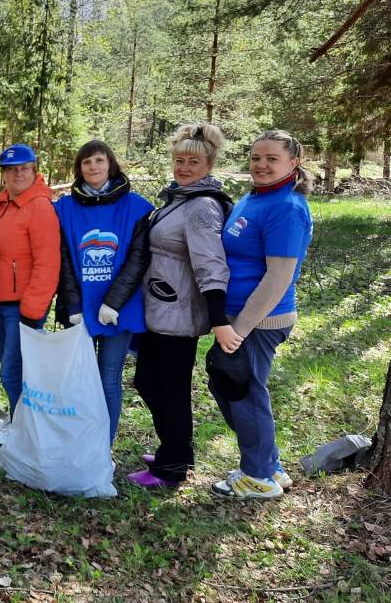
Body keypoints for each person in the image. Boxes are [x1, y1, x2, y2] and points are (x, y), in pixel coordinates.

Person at [128, 123, 238, 489]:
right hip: (160, 309)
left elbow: (211, 265)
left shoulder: (201, 208)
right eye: (179, 160)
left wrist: (218, 319)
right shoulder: (181, 199)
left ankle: (172, 467)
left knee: (169, 389)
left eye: (193, 161)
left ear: (209, 164)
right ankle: (175, 450)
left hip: (180, 314)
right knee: (147, 381)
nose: (184, 167)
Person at [209, 130, 313, 499]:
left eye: (272, 158)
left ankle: (258, 477)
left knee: (244, 392)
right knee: (229, 385)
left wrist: (238, 328)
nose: (262, 165)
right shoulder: (255, 198)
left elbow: (278, 278)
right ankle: (269, 464)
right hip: (240, 318)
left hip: (260, 321)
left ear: (293, 163)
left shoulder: (287, 207)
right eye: (256, 157)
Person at [54, 140, 153, 444]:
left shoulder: (135, 207)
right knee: (79, 379)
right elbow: (65, 260)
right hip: (81, 308)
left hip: (118, 309)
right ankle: (79, 441)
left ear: (110, 164)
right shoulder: (65, 208)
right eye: (87, 162)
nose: (93, 167)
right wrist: (72, 305)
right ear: (79, 169)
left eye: (99, 160)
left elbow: (138, 259)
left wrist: (113, 302)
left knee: (108, 377)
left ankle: (103, 445)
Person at [0, 144, 60, 416]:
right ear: (3, 175)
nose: (17, 174)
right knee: (10, 368)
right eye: (11, 170)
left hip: (22, 307)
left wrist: (32, 312)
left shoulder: (40, 207)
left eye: (23, 168)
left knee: (13, 374)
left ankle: (26, 436)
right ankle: (21, 428)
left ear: (35, 171)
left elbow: (47, 264)